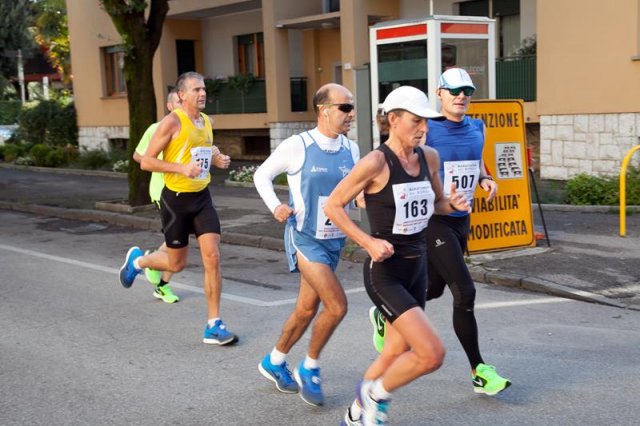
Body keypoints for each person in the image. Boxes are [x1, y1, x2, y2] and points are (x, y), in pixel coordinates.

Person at [325, 85, 470, 426]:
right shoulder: (375, 162)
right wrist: (367, 242)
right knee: (432, 354)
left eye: (427, 122)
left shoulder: (429, 157)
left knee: (394, 351)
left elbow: (436, 204)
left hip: (417, 267)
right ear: (393, 119)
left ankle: (356, 413)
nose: (424, 128)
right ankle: (374, 396)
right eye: (417, 121)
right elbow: (333, 205)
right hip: (385, 272)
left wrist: (452, 205)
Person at [369, 68, 511, 398]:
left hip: (460, 218)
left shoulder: (478, 127)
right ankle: (479, 370)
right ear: (441, 93)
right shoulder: (427, 129)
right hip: (434, 219)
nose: (462, 96)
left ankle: (383, 312)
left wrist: (484, 178)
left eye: (468, 91)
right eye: (455, 90)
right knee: (465, 291)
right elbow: (405, 160)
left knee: (432, 289)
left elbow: (476, 162)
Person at [253, 83, 360, 406]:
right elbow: (261, 176)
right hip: (305, 239)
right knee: (337, 305)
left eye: (351, 107)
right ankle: (309, 366)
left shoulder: (351, 149)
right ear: (324, 110)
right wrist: (276, 207)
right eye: (344, 108)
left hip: (333, 242)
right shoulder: (298, 145)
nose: (351, 114)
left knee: (305, 309)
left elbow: (355, 192)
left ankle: (274, 361)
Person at [118, 71, 236, 345]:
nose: (202, 93)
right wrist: (181, 168)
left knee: (213, 257)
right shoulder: (171, 122)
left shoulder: (206, 121)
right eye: (196, 89)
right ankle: (138, 262)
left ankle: (213, 324)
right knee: (176, 263)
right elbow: (146, 161)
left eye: (204, 88)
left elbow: (204, 148)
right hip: (176, 200)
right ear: (182, 95)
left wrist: (217, 158)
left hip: (202, 198)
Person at [131, 88, 181, 304]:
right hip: (164, 190)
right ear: (170, 106)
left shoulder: (192, 127)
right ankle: (150, 267)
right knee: (177, 242)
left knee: (180, 241)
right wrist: (162, 166)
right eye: (178, 102)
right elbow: (138, 155)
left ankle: (155, 271)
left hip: (187, 190)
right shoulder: (156, 128)